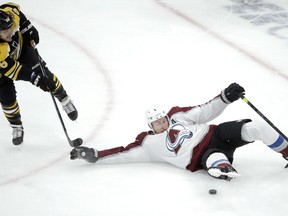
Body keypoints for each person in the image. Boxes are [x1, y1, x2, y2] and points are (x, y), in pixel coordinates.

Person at [70, 83, 288, 180]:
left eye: (163, 120)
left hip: (216, 134)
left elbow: (205, 111)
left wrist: (225, 97)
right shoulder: (147, 144)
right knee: (215, 159)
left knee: (255, 127)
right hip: (200, 156)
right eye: (157, 123)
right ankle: (221, 167)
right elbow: (123, 153)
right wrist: (96, 156)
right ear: (151, 127)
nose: (162, 124)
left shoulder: (177, 116)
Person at [0, 2, 78, 145]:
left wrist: (27, 27)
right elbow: (16, 71)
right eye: (6, 32)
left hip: (22, 50)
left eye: (11, 28)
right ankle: (17, 126)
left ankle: (64, 99)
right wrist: (36, 80)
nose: (11, 31)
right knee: (6, 98)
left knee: (47, 76)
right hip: (3, 69)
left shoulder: (9, 15)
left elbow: (15, 9)